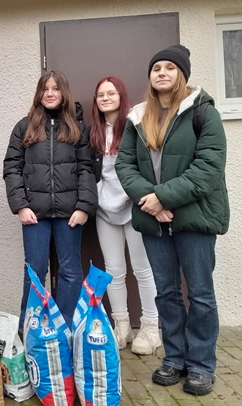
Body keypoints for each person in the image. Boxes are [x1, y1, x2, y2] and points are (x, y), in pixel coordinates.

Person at [116, 45, 229, 396]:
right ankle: (175, 359)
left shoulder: (203, 112)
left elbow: (208, 168)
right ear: (150, 77)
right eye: (156, 68)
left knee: (199, 294)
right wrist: (151, 201)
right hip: (155, 221)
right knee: (166, 293)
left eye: (169, 68)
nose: (162, 73)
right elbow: (124, 165)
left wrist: (163, 197)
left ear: (181, 74)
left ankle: (200, 365)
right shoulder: (137, 117)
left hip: (194, 220)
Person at [3, 70, 97, 330]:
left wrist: (84, 207)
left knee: (70, 270)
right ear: (39, 93)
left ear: (63, 93)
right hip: (34, 214)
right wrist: (21, 205)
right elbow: (12, 168)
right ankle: (29, 329)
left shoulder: (76, 128)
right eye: (45, 89)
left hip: (70, 213)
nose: (50, 93)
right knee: (34, 272)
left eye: (55, 88)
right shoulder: (25, 126)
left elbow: (86, 168)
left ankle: (65, 328)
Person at [89, 76, 160, 355]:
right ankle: (122, 326)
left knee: (143, 270)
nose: (105, 98)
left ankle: (151, 329)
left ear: (121, 95)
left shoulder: (136, 125)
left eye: (111, 93)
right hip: (104, 209)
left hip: (136, 206)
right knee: (114, 271)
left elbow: (150, 164)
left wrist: (142, 193)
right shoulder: (92, 133)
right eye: (100, 95)